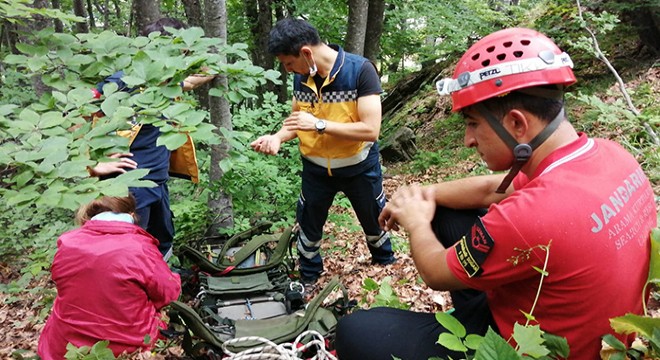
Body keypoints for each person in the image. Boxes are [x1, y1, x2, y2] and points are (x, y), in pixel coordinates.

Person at [334, 27, 657, 359]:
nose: (468, 140)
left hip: (536, 348)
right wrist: (422, 193)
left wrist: (416, 221)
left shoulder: (530, 216)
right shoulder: (609, 155)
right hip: (584, 326)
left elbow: (433, 272)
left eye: (473, 123)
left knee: (355, 331)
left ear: (517, 124)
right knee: (445, 210)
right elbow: (492, 189)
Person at [250, 18, 396, 284]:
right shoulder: (302, 78)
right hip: (315, 170)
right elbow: (297, 122)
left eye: (289, 63)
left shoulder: (360, 71)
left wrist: (318, 124)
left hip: (359, 167)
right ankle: (308, 279)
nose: (288, 70)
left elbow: (371, 130)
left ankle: (385, 270)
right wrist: (277, 138)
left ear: (306, 53)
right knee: (308, 227)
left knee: (374, 222)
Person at [88, 17, 214, 260]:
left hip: (158, 181)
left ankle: (162, 288)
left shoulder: (163, 80)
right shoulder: (125, 80)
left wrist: (196, 54)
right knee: (131, 247)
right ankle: (137, 295)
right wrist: (92, 166)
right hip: (131, 183)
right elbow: (79, 110)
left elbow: (199, 77)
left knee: (163, 238)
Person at [37, 195, 181, 359]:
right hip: (127, 346)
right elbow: (168, 294)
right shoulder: (140, 247)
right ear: (132, 214)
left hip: (64, 347)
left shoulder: (67, 243)